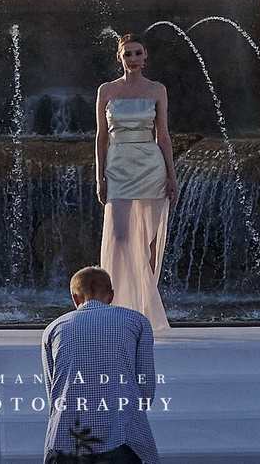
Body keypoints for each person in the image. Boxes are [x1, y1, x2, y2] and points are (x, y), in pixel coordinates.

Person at [94, 35, 178, 332]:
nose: (132, 58)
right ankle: (113, 309)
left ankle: (144, 309)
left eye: (137, 53)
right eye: (126, 54)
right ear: (119, 58)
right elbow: (101, 137)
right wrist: (99, 175)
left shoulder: (157, 90)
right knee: (120, 238)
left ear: (146, 56)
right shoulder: (106, 90)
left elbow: (164, 135)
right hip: (117, 168)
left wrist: (171, 175)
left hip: (151, 166)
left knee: (150, 242)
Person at [40, 266, 159, 464]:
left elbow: (53, 392)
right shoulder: (137, 322)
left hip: (67, 441)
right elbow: (146, 390)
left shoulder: (54, 329)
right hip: (123, 438)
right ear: (111, 295)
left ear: (75, 298)